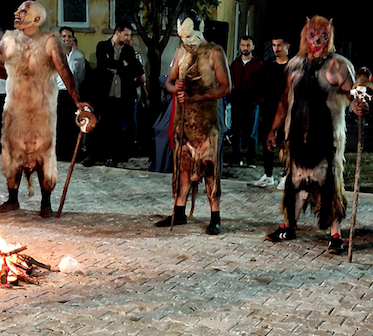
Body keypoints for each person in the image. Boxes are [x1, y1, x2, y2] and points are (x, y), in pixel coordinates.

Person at [263, 16, 368, 254]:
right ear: (304, 35)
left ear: (330, 36)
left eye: (323, 36)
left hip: (327, 139)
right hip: (298, 137)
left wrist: (359, 106)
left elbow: (353, 96)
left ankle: (335, 234)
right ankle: (289, 226)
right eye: (312, 35)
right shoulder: (294, 65)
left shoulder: (338, 66)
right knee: (297, 181)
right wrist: (273, 129)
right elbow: (284, 101)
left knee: (328, 183)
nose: (317, 41)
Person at [0, 1, 94, 218]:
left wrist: (77, 100)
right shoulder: (8, 39)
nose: (17, 14)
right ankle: (12, 199)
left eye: (24, 12)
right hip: (15, 108)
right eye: (18, 11)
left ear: (37, 19)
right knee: (13, 153)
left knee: (43, 154)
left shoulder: (50, 41)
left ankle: (46, 204)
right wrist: (18, 81)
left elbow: (65, 71)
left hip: (41, 110)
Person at [154, 9, 230, 235]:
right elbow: (168, 82)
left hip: (207, 124)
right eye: (182, 37)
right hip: (183, 124)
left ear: (200, 29)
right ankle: (179, 212)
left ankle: (214, 216)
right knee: (182, 169)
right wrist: (173, 87)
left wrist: (199, 96)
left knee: (209, 170)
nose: (186, 42)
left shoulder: (214, 52)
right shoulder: (180, 53)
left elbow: (226, 87)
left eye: (189, 36)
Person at [85, 20, 144, 167]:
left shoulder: (129, 51)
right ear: (117, 33)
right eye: (126, 34)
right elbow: (102, 65)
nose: (128, 37)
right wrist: (123, 66)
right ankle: (92, 155)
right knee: (100, 126)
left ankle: (114, 157)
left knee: (119, 129)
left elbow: (137, 70)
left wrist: (117, 67)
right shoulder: (102, 46)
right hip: (105, 95)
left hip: (123, 97)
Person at [252, 36, 289, 188]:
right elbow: (259, 83)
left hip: (287, 109)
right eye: (274, 45)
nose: (276, 48)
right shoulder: (267, 65)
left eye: (279, 45)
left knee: (285, 142)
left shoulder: (292, 66)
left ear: (287, 46)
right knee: (267, 140)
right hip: (268, 108)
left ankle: (286, 175)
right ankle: (268, 175)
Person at [228, 35, 262, 168]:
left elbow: (262, 84)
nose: (245, 48)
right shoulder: (235, 64)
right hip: (237, 101)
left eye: (248, 45)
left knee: (252, 132)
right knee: (236, 131)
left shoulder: (258, 64)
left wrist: (257, 100)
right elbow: (230, 81)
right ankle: (236, 158)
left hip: (252, 102)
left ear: (253, 47)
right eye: (243, 45)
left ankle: (251, 159)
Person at [55, 26, 86, 160]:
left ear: (73, 39)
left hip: (72, 94)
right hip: (56, 93)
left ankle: (72, 154)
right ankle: (58, 153)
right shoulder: (54, 54)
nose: (66, 39)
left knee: (72, 124)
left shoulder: (78, 56)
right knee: (58, 124)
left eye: (69, 36)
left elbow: (80, 76)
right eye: (64, 36)